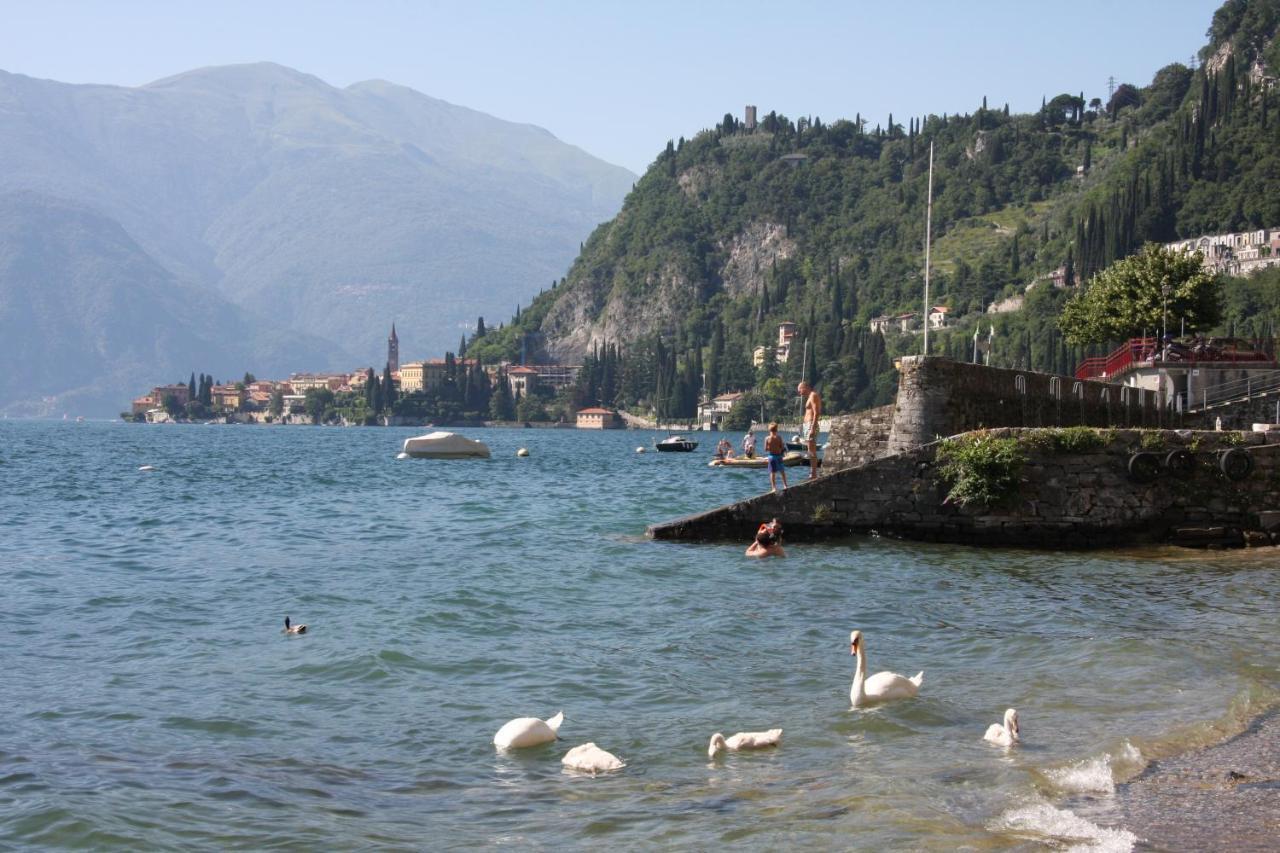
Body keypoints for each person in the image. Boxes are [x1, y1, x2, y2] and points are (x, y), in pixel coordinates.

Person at [797, 381, 822, 481]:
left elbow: (816, 413)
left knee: (811, 451)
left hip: (811, 424)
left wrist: (812, 427)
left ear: (805, 387)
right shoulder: (809, 397)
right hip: (808, 425)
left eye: (800, 390)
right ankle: (812, 473)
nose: (799, 393)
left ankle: (813, 474)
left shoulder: (813, 395)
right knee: (810, 450)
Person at [764, 422, 788, 492]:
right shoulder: (779, 437)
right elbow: (782, 447)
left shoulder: (767, 438)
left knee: (772, 473)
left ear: (769, 430)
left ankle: (773, 488)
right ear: (777, 429)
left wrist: (770, 447)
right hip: (779, 456)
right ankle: (785, 485)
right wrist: (778, 447)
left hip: (772, 457)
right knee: (782, 471)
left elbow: (765, 449)